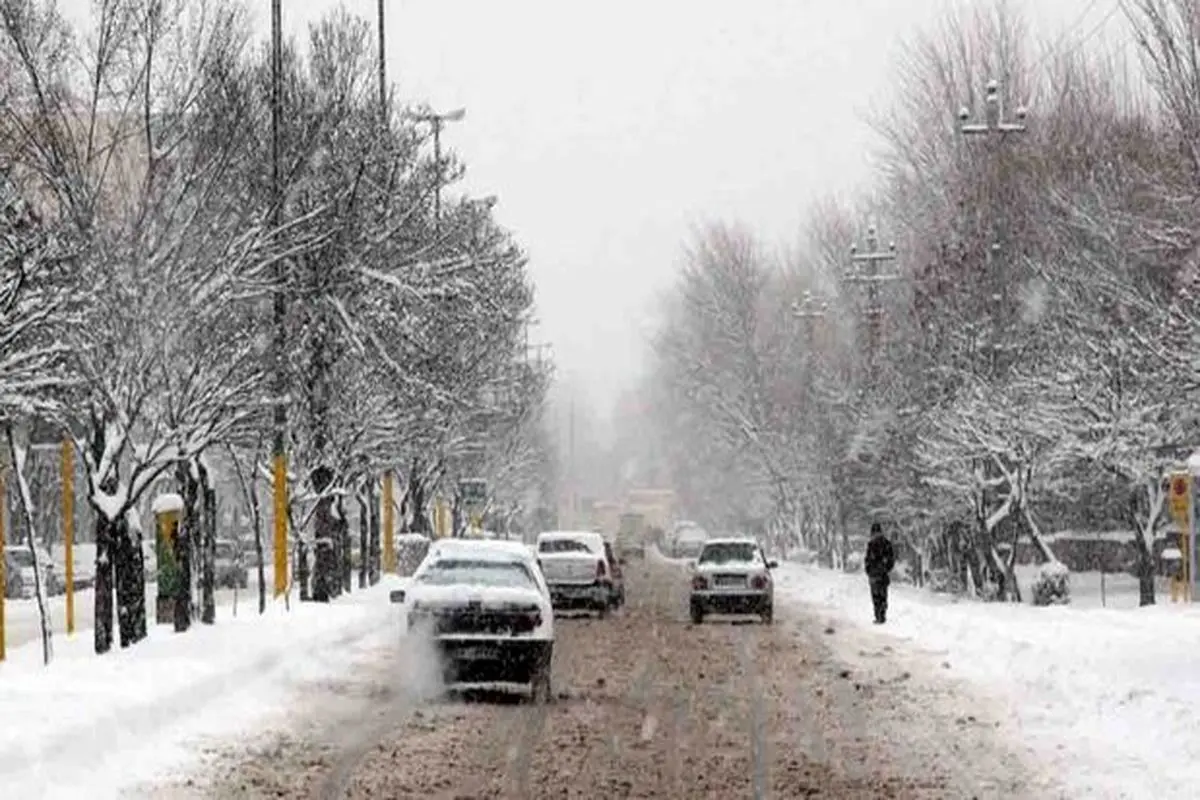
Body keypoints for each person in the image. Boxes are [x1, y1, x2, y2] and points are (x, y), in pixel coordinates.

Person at [864, 522, 896, 624]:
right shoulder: (884, 544)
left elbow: (868, 560)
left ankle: (880, 616)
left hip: (878, 575)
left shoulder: (877, 544)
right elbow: (868, 559)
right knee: (879, 596)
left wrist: (871, 569)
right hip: (879, 575)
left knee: (878, 596)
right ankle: (880, 615)